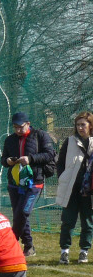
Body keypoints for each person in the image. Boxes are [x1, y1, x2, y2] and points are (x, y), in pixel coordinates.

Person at [0, 111, 56, 257]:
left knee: (23, 212)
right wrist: (8, 161)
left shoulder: (40, 135)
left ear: (28, 124)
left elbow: (50, 154)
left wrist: (30, 159)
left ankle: (10, 243)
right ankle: (29, 246)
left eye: (20, 127)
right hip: (14, 183)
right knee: (18, 213)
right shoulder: (10, 140)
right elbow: (3, 159)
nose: (18, 130)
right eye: (15, 127)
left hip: (34, 182)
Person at [55, 111, 93, 264]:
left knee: (88, 222)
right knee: (68, 221)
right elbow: (60, 162)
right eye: (77, 125)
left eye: (83, 124)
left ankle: (84, 251)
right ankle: (65, 251)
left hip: (88, 191)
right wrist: (63, 177)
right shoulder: (69, 141)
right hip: (71, 189)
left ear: (90, 125)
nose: (80, 128)